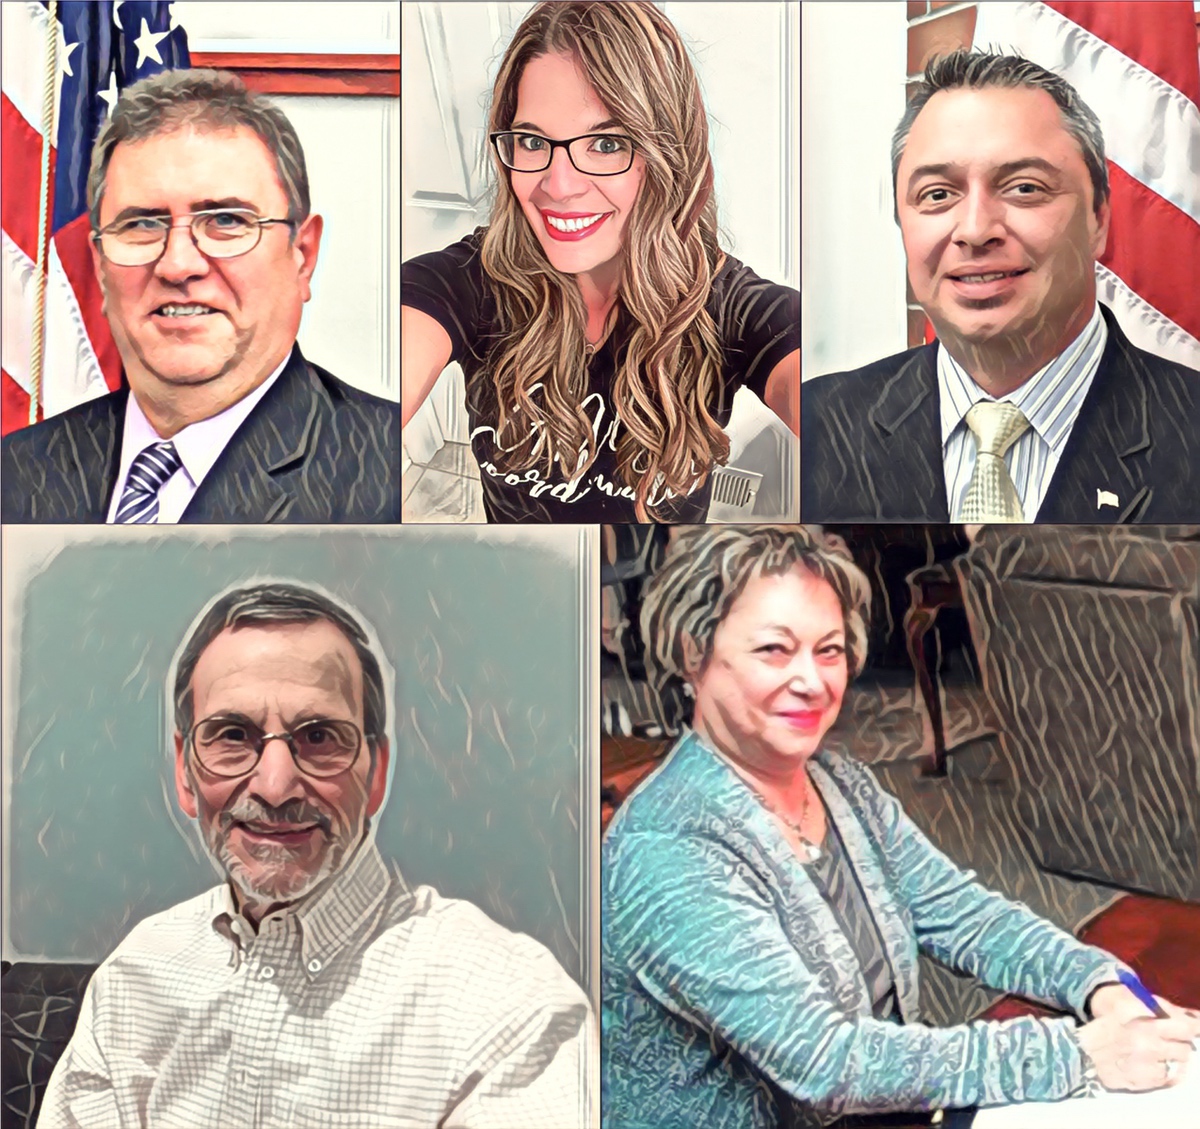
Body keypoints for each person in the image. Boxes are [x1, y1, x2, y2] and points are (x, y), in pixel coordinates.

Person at [601, 525, 1200, 1128]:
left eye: (829, 650)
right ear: (692, 654)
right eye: (774, 650)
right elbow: (826, 1061)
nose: (812, 681)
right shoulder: (666, 847)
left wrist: (1100, 986)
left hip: (887, 1109)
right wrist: (1076, 1054)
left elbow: (967, 917)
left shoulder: (841, 784)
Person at [38, 583, 591, 1129]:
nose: (275, 786)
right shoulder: (135, 978)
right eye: (232, 734)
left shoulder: (510, 1007)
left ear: (376, 771)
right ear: (185, 771)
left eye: (320, 737)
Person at [402, 1, 799, 522]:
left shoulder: (733, 307)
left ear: (668, 156)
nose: (559, 186)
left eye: (607, 143)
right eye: (530, 140)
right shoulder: (466, 282)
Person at [801, 50, 1199, 524]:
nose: (974, 229)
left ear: (1099, 221)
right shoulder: (812, 430)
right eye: (937, 195)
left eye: (1024, 187)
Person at [2, 70, 400, 524]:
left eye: (227, 221)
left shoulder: (389, 476)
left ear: (302, 256)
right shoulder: (14, 473)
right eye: (141, 224)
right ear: (99, 264)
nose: (178, 265)